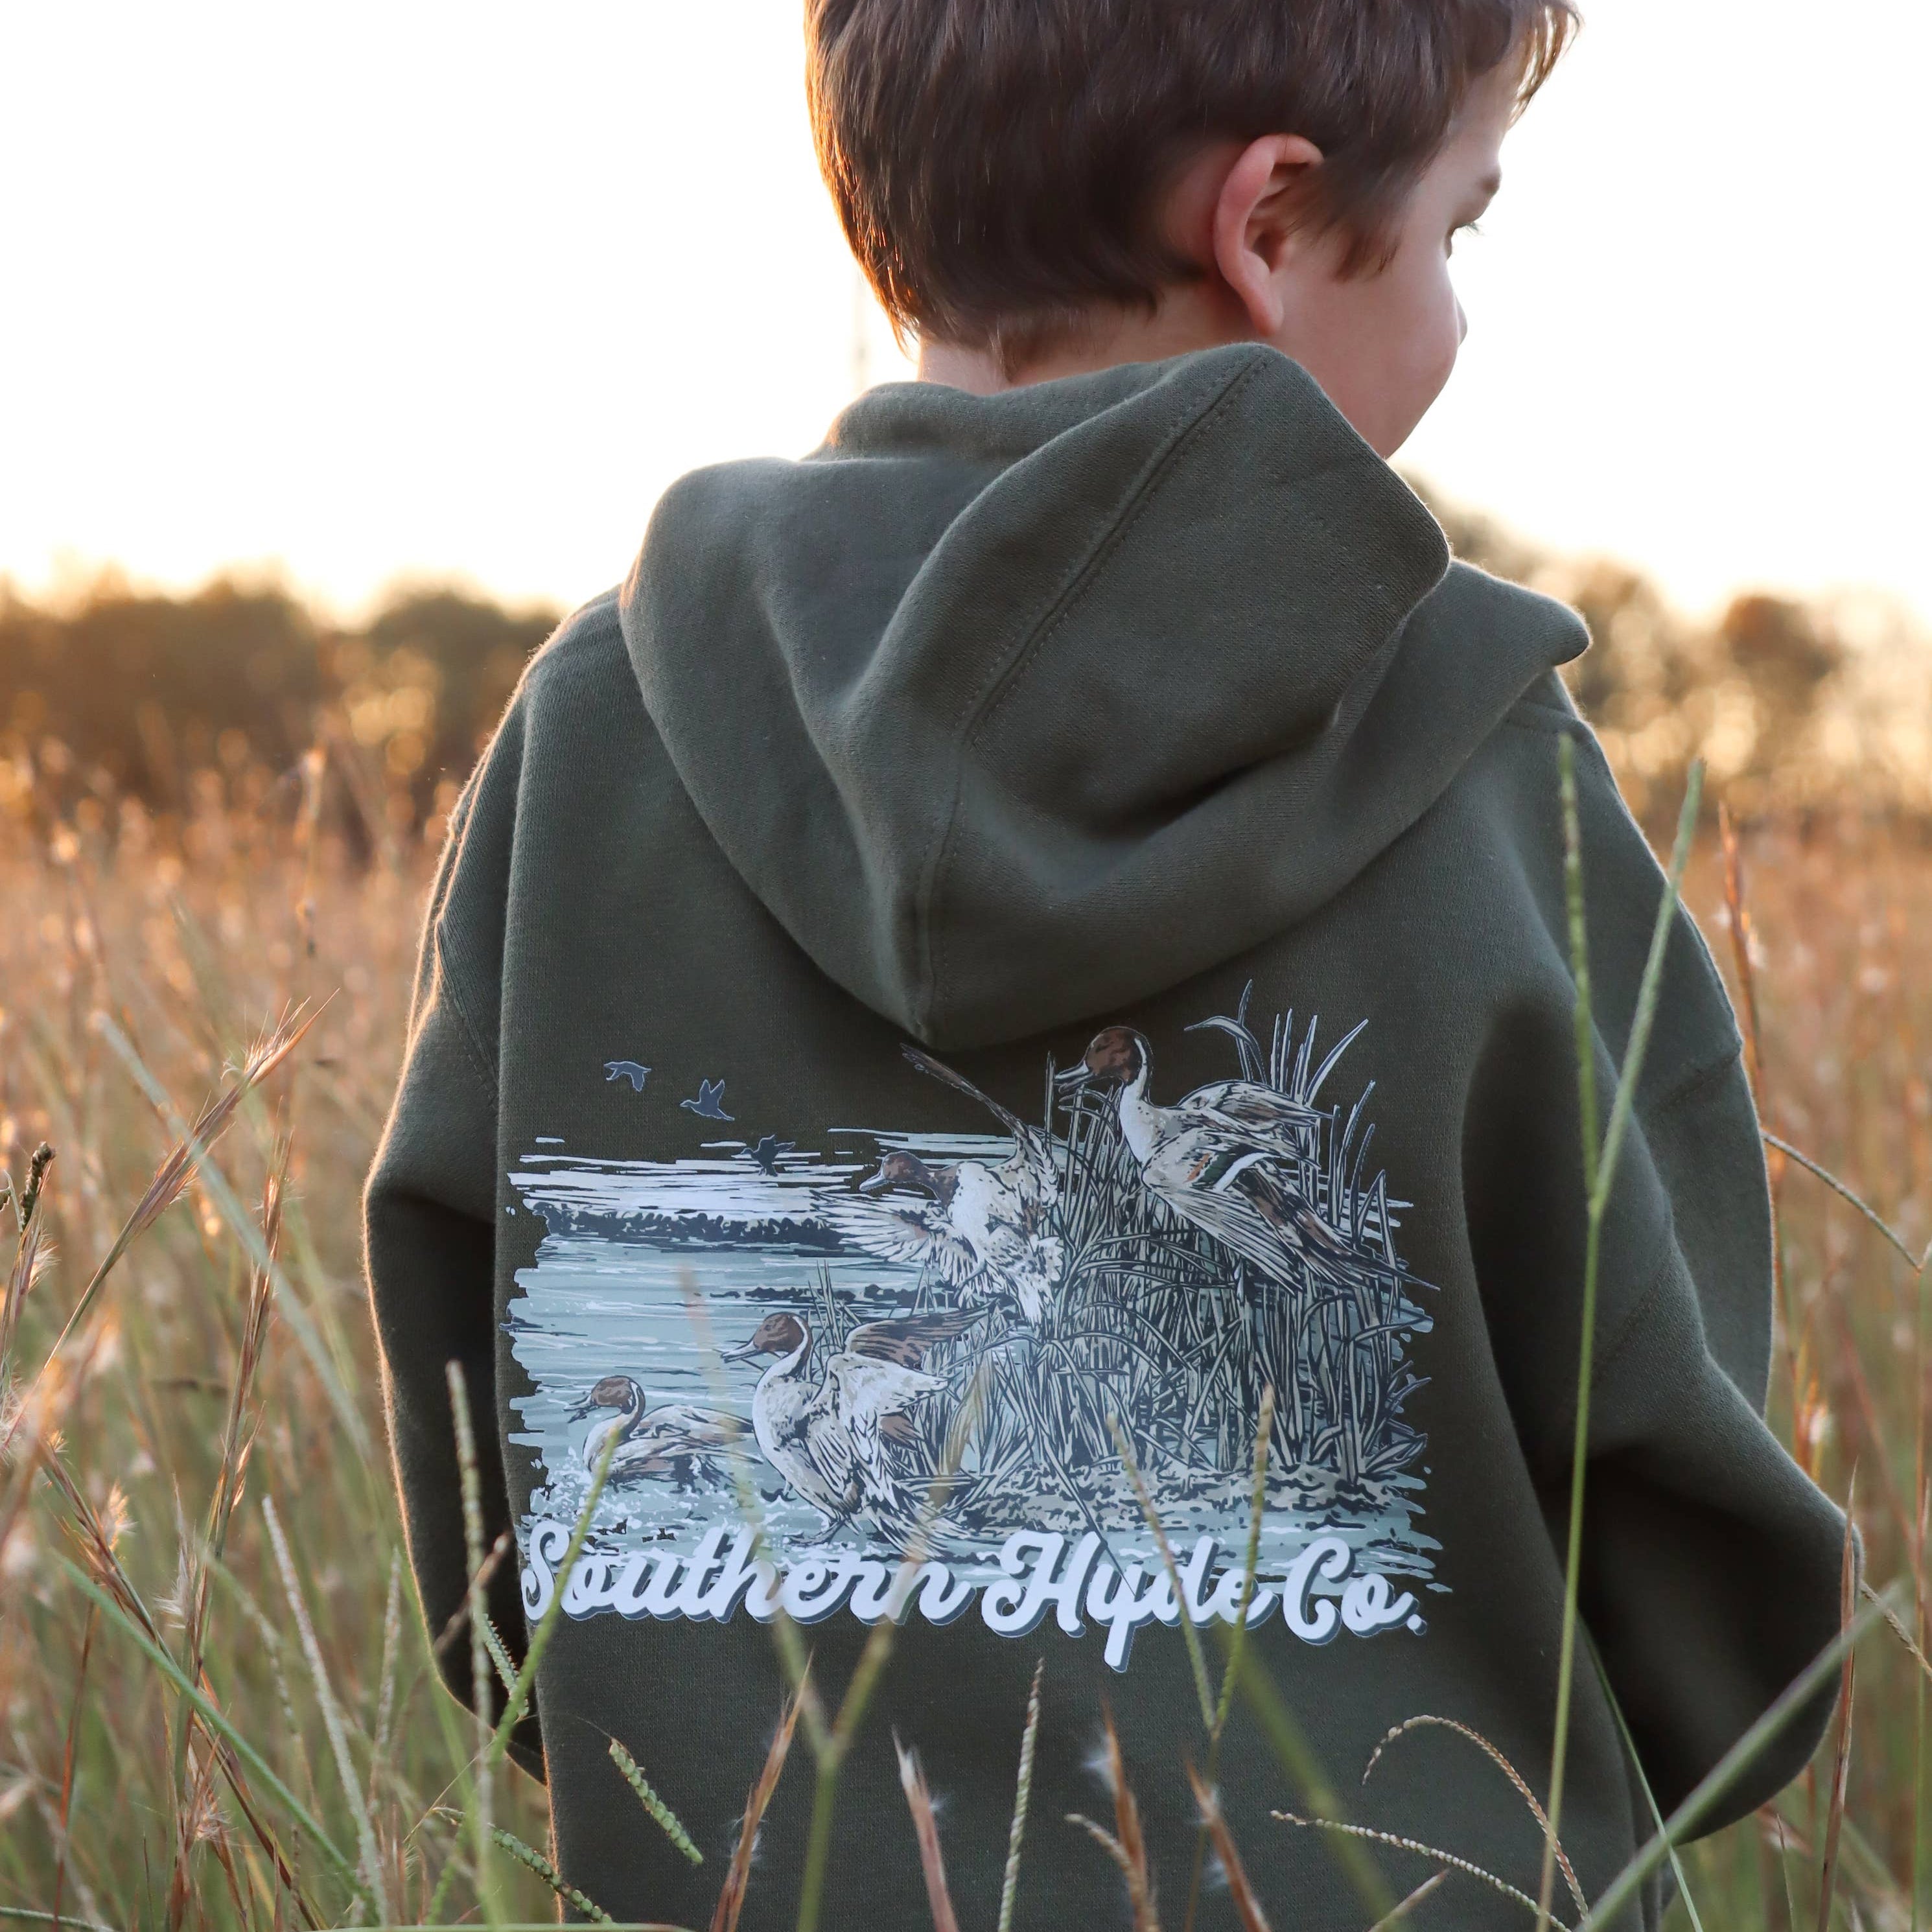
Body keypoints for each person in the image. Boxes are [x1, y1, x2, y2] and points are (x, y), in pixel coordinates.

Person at [365, 3, 1847, 1924]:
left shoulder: (596, 738)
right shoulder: (1486, 770)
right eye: (1460, 231)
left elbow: (491, 1502)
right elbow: (1693, 1551)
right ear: (1274, 225)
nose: (1462, 311)